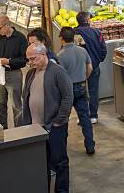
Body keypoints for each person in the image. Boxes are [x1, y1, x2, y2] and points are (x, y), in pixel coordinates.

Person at [20, 43, 73, 193]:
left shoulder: (57, 72)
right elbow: (26, 96)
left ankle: (62, 190)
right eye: (28, 60)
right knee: (42, 162)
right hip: (36, 127)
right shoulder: (31, 73)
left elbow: (68, 97)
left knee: (60, 161)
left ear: (43, 55)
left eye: (33, 59)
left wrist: (58, 121)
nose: (30, 63)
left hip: (54, 127)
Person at [58, 26, 95, 154]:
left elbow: (61, 76)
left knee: (64, 119)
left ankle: (62, 147)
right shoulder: (82, 51)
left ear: (61, 39)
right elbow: (90, 67)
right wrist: (84, 77)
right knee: (85, 117)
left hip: (68, 90)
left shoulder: (60, 56)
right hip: (82, 86)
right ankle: (90, 146)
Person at [0, 15, 28, 129]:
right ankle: (2, 129)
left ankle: (20, 130)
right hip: (0, 74)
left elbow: (24, 59)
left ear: (7, 25)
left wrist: (9, 62)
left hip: (14, 74)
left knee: (16, 105)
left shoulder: (20, 38)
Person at [75, 11, 107, 123]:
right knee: (93, 91)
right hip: (94, 66)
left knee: (80, 92)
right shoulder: (96, 32)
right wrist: (99, 60)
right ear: (88, 20)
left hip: (79, 68)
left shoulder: (74, 33)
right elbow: (103, 49)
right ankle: (93, 115)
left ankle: (82, 116)